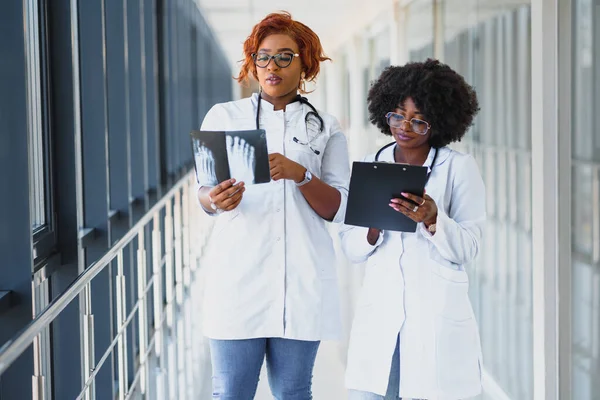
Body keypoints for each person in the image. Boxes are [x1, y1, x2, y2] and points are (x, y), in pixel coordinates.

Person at [196, 11, 350, 400]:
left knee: (294, 392)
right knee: (231, 392)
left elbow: (339, 207)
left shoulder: (325, 127)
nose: (272, 66)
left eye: (285, 56)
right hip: (238, 282)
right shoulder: (224, 116)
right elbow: (203, 190)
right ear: (253, 62)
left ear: (305, 65)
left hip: (301, 283)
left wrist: (301, 175)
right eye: (263, 57)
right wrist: (213, 201)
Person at [340, 59, 485, 400]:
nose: (404, 127)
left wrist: (434, 220)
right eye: (397, 116)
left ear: (438, 123)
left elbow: (471, 247)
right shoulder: (371, 162)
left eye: (419, 120)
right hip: (380, 318)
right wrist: (371, 229)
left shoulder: (458, 168)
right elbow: (349, 246)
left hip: (435, 318)